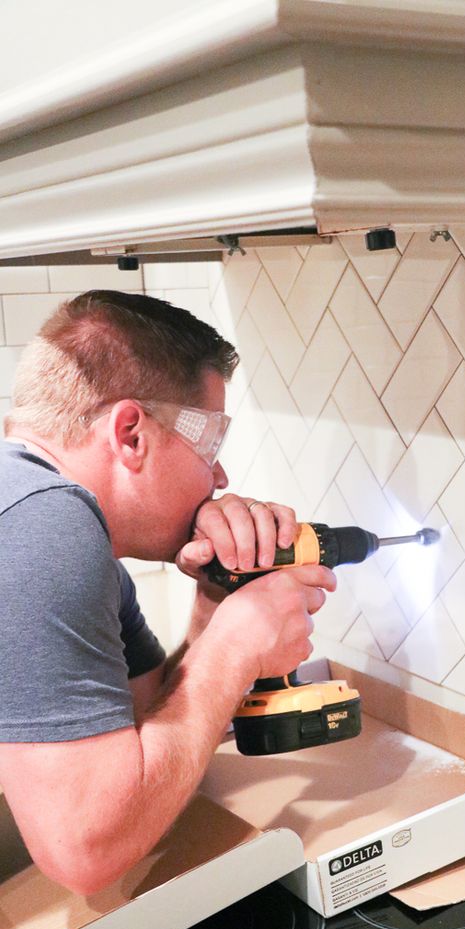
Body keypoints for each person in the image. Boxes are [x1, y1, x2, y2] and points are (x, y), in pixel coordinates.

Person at [0, 289, 336, 896]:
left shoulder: (59, 527)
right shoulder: (44, 525)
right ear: (131, 434)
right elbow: (88, 850)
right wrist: (238, 647)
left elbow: (145, 739)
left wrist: (215, 610)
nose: (221, 477)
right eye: (211, 447)